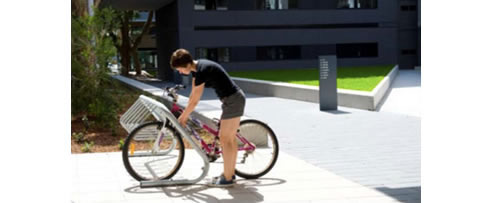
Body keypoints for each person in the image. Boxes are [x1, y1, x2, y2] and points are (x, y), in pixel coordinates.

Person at [170, 48, 246, 187]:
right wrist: (185, 113)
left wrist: (183, 117)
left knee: (225, 139)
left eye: (180, 69)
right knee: (229, 139)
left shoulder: (202, 70)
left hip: (233, 100)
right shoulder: (197, 69)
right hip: (231, 100)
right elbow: (193, 95)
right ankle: (229, 173)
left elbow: (195, 101)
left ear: (187, 64)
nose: (179, 72)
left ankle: (228, 177)